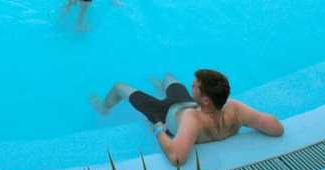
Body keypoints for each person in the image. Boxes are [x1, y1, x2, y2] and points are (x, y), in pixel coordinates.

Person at [91, 70, 283, 165]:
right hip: (185, 103)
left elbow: (177, 158)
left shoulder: (194, 119)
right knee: (169, 77)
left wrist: (158, 129)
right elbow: (276, 128)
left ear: (206, 99)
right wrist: (250, 121)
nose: (192, 85)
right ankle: (161, 86)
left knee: (119, 87)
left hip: (162, 112)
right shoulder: (235, 108)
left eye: (195, 86)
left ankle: (103, 108)